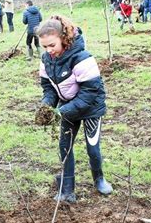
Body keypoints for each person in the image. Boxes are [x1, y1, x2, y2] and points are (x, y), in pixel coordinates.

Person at [36, 15, 113, 203]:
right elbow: (49, 87)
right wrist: (47, 105)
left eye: (52, 45)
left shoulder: (82, 58)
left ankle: (99, 179)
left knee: (92, 148)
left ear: (63, 38)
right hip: (68, 107)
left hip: (91, 108)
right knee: (65, 146)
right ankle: (68, 190)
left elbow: (89, 93)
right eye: (44, 46)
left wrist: (61, 112)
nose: (48, 50)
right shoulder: (46, 60)